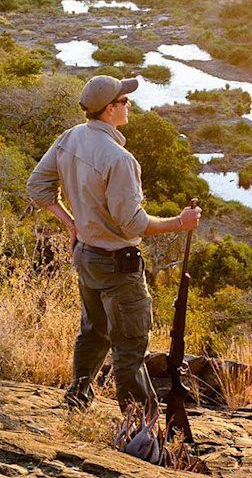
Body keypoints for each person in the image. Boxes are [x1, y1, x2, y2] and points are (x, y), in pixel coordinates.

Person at [26, 75, 201, 412]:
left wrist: (72, 223)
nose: (129, 104)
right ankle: (140, 427)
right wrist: (179, 223)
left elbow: (37, 188)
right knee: (131, 346)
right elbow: (133, 224)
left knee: (93, 331)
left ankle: (78, 398)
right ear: (109, 109)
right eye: (124, 101)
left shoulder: (70, 138)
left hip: (86, 257)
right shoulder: (119, 159)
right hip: (119, 264)